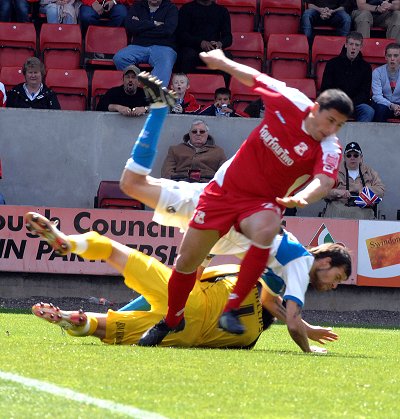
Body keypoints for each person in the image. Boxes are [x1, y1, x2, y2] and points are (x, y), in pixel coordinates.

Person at [137, 49, 353, 347]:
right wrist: (223, 62)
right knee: (186, 263)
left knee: (266, 228)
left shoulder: (330, 146)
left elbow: (325, 180)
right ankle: (172, 319)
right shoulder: (290, 101)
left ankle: (232, 309)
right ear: (315, 109)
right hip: (224, 191)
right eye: (329, 121)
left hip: (261, 203)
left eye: (339, 126)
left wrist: (303, 197)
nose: (331, 129)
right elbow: (255, 78)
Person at [26, 211, 348, 353]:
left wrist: (305, 327)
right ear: (326, 261)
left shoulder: (270, 267)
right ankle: (75, 322)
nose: (336, 285)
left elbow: (270, 301)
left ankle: (70, 242)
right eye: (339, 278)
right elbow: (279, 311)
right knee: (110, 328)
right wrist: (307, 340)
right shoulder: (294, 267)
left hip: (190, 294)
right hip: (199, 331)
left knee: (114, 251)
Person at [113, 0, 178, 87]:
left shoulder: (171, 8)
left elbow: (167, 30)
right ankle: (141, 81)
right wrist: (154, 24)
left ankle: (154, 95)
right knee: (119, 58)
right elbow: (130, 26)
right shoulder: (137, 6)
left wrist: (141, 27)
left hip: (163, 47)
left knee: (165, 62)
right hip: (139, 45)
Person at [321, 31, 374, 122]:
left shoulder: (366, 67)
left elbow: (365, 92)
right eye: (351, 44)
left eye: (357, 45)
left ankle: (359, 136)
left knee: (368, 111)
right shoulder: (332, 64)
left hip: (356, 104)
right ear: (346, 45)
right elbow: (326, 88)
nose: (353, 48)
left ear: (360, 47)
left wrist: (351, 104)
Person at [323, 142, 385, 219]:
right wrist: (337, 192)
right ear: (344, 157)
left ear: (361, 157)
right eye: (349, 155)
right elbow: (322, 191)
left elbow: (381, 190)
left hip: (363, 212)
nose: (352, 158)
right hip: (338, 211)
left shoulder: (369, 172)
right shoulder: (334, 172)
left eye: (356, 155)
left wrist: (366, 191)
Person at [161, 119, 227, 183]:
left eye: (202, 131)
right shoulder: (175, 150)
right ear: (189, 134)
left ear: (207, 134)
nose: (198, 134)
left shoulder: (218, 151)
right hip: (181, 186)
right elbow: (166, 173)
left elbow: (224, 174)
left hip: (207, 186)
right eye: (194, 131)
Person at [176, 0, 232, 74]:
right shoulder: (186, 9)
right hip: (192, 50)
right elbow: (181, 35)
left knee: (226, 56)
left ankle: (225, 85)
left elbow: (228, 37)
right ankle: (183, 83)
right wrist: (200, 42)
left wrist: (220, 43)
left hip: (213, 52)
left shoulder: (222, 11)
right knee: (186, 55)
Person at [371, 42, 400, 121]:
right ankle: (378, 132)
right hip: (384, 104)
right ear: (385, 57)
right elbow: (377, 96)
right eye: (389, 55)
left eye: (396, 55)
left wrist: (398, 108)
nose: (392, 59)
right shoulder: (377, 72)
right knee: (380, 109)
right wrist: (391, 105)